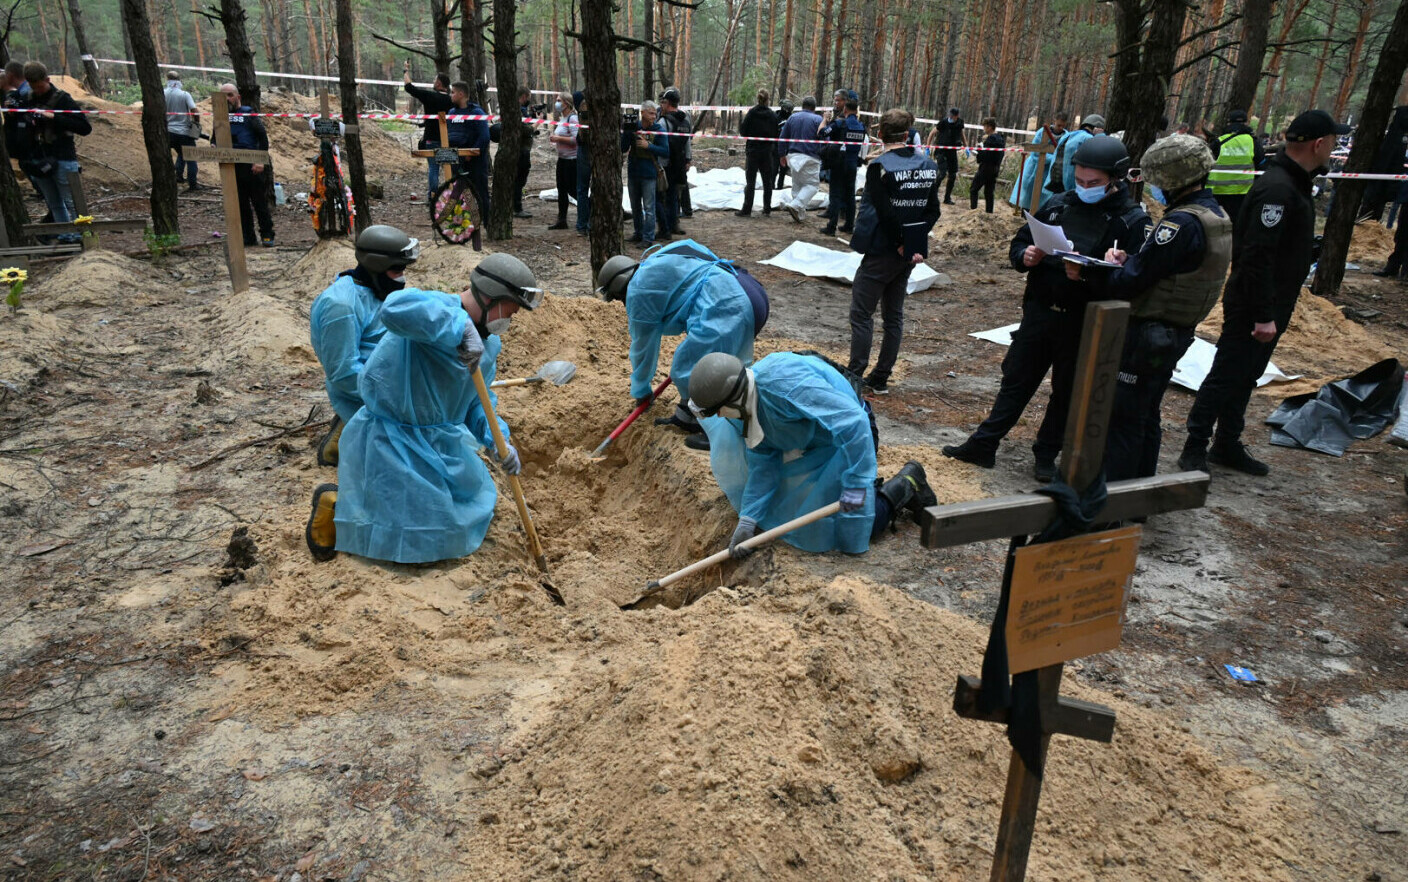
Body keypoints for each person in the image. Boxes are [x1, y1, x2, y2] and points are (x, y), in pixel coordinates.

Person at [305, 253, 543, 564]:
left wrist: (497, 440)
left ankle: (363, 504)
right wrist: (459, 327)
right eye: (511, 308)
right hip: (392, 440)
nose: (511, 317)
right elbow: (395, 309)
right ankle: (335, 504)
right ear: (490, 297)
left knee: (461, 515)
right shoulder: (434, 309)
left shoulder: (488, 345)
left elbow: (476, 402)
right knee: (415, 534)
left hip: (438, 442)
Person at [944, 137, 1148, 481]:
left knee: (1066, 391)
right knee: (1016, 380)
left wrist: (1094, 273)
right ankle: (984, 443)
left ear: (1115, 179)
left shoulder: (1130, 221)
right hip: (1040, 313)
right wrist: (1024, 255)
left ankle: (1045, 454)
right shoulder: (1058, 203)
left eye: (1093, 184)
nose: (1084, 189)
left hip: (1084, 322)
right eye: (1080, 181)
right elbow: (1022, 239)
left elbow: (1135, 280)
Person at [1177, 110, 1349, 476]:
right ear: (1319, 144)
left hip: (1272, 301)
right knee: (1226, 374)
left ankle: (1226, 444)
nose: (1332, 151)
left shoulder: (1293, 183)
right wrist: (1263, 313)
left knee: (1247, 375)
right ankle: (1195, 446)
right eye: (1332, 143)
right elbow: (1256, 256)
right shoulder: (1278, 188)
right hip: (1255, 305)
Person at [688, 351, 936, 557]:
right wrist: (748, 519)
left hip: (852, 437)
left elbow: (853, 425)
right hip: (819, 443)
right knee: (793, 511)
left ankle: (906, 484)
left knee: (849, 525)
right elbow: (764, 463)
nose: (719, 417)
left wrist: (856, 486)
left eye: (718, 411)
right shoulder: (746, 409)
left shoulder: (783, 387)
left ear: (732, 399)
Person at [1086, 135, 1232, 481]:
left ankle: (1111, 502)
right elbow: (1169, 268)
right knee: (1146, 414)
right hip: (1174, 331)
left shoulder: (1179, 224)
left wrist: (1110, 269)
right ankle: (1137, 496)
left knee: (1123, 418)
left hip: (1149, 333)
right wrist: (1134, 259)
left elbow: (1135, 280)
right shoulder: (1214, 215)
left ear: (1171, 179)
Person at [596, 239, 769, 449]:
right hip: (745, 287)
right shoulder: (658, 260)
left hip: (728, 303)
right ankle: (686, 417)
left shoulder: (638, 290)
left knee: (687, 370)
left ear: (619, 289)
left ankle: (722, 431)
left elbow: (643, 348)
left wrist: (641, 390)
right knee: (703, 363)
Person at [308, 225, 421, 466]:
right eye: (397, 269)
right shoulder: (342, 306)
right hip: (364, 389)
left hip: (387, 379)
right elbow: (344, 373)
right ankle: (345, 435)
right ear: (377, 266)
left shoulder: (376, 289)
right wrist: (395, 395)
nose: (402, 276)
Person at [846, 109, 941, 395]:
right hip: (907, 255)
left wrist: (900, 241)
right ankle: (881, 377)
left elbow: (885, 215)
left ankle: (854, 375)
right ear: (907, 134)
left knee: (861, 314)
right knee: (893, 315)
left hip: (881, 252)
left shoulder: (880, 167)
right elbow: (933, 211)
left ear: (882, 135)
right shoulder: (928, 165)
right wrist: (911, 243)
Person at [18, 63, 92, 243]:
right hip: (40, 158)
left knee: (72, 201)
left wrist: (54, 117)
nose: (37, 91)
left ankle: (82, 237)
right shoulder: (28, 99)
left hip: (63, 157)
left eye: (40, 86)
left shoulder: (62, 99)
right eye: (33, 87)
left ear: (48, 80)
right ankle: (66, 236)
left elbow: (84, 127)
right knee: (54, 202)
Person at [216, 83, 275, 248]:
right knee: (241, 204)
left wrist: (260, 161)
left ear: (237, 97)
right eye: (224, 96)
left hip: (252, 167)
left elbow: (263, 139)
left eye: (229, 95)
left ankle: (267, 235)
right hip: (232, 168)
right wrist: (215, 146)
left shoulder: (249, 114)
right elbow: (215, 138)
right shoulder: (221, 117)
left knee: (259, 203)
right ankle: (248, 237)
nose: (227, 99)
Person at [1207, 109, 1267, 232]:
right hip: (1242, 194)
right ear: (1246, 123)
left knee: (1215, 229)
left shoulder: (1219, 141)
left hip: (1217, 193)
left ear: (1229, 123)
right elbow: (1262, 166)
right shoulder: (1253, 142)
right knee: (1237, 229)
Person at [621, 99, 670, 247]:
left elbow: (666, 151)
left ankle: (648, 238)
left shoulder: (659, 130)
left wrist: (649, 146)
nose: (654, 116)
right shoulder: (634, 127)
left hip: (649, 174)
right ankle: (638, 233)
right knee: (635, 206)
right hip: (634, 172)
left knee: (649, 208)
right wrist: (627, 132)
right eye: (650, 113)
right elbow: (623, 148)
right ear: (642, 113)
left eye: (655, 113)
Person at [403, 67, 453, 199]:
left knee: (433, 168)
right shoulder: (452, 100)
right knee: (449, 168)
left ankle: (433, 196)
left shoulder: (430, 96)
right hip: (448, 139)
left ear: (438, 84)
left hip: (431, 138)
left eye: (434, 79)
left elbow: (409, 87)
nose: (433, 81)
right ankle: (451, 196)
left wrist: (405, 71)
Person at [445, 82, 492, 223]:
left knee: (479, 191)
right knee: (457, 191)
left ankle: (486, 221)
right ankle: (460, 221)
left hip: (475, 162)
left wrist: (470, 154)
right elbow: (447, 134)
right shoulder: (451, 113)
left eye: (453, 92)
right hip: (456, 160)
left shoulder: (477, 113)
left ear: (461, 94)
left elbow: (484, 137)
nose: (450, 95)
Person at [821, 96, 866, 236]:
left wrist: (824, 120)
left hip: (839, 163)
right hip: (853, 164)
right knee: (850, 196)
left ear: (845, 109)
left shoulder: (840, 124)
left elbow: (822, 133)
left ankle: (831, 226)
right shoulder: (861, 126)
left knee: (835, 194)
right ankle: (849, 225)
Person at [779, 96, 825, 222]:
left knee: (797, 184)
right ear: (814, 108)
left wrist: (782, 154)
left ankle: (799, 214)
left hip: (793, 156)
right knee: (812, 186)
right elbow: (824, 138)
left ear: (802, 106)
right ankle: (795, 205)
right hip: (811, 157)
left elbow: (783, 137)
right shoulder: (818, 119)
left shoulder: (792, 118)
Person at [1009, 112, 1066, 210]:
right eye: (1058, 125)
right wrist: (1053, 158)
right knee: (1029, 198)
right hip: (1034, 169)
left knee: (1044, 201)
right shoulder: (1043, 132)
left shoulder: (1065, 136)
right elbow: (1036, 152)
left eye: (1063, 126)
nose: (1060, 128)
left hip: (1050, 172)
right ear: (1054, 121)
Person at [736, 89, 779, 217]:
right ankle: (767, 209)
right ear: (768, 99)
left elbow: (743, 132)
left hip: (753, 151)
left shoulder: (752, 113)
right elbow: (776, 133)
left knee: (751, 182)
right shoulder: (772, 115)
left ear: (758, 99)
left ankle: (747, 209)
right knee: (767, 181)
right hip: (766, 152)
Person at [657, 88, 692, 240]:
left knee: (664, 196)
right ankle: (674, 224)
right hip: (680, 163)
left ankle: (666, 227)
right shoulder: (685, 119)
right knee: (674, 196)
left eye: (663, 102)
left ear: (668, 103)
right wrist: (688, 159)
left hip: (667, 164)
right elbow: (688, 142)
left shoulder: (663, 122)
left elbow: (659, 143)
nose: (661, 105)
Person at [1045, 113, 1105, 196]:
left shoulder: (1069, 135)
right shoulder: (1088, 138)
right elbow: (1101, 154)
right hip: (1070, 185)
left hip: (1055, 181)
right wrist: (1100, 136)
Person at [547, 92, 579, 230]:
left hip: (572, 161)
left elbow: (575, 139)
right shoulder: (563, 118)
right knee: (561, 190)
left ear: (566, 102)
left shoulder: (573, 119)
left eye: (559, 100)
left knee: (573, 191)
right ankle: (562, 219)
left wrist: (558, 139)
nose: (557, 103)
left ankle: (591, 210)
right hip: (562, 159)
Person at [164, 71, 201, 191]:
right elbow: (195, 111)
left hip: (168, 132)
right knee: (191, 157)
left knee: (181, 153)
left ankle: (178, 176)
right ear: (179, 80)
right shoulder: (184, 94)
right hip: (183, 131)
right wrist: (196, 124)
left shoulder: (162, 93)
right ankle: (193, 184)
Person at [927, 107, 965, 205]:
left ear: (957, 116)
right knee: (942, 173)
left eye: (953, 115)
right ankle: (932, 196)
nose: (950, 116)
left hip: (952, 152)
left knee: (952, 175)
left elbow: (961, 134)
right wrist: (928, 146)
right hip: (941, 151)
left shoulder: (960, 123)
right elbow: (932, 133)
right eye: (950, 114)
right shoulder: (943, 122)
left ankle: (947, 198)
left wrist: (966, 146)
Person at [970, 117, 1006, 213]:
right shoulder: (1001, 139)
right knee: (989, 192)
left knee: (973, 189)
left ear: (989, 127)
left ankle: (973, 211)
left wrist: (978, 152)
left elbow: (986, 155)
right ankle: (989, 212)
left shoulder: (990, 140)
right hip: (995, 168)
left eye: (985, 126)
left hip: (985, 168)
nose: (984, 128)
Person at [512, 87, 536, 219]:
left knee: (518, 180)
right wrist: (536, 123)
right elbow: (526, 130)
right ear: (524, 96)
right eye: (529, 97)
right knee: (519, 180)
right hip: (521, 150)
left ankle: (515, 205)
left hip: (520, 149)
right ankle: (517, 207)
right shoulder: (518, 111)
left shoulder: (515, 109)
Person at [573, 90, 591, 234]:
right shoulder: (582, 98)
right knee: (584, 189)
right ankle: (584, 223)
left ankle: (583, 224)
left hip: (586, 148)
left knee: (582, 189)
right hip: (588, 147)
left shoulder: (583, 102)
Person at [774, 98, 794, 191]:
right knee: (774, 169)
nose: (789, 111)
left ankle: (780, 187)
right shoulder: (775, 116)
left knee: (783, 169)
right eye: (788, 109)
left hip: (787, 147)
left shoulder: (792, 118)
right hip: (775, 146)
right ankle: (771, 187)